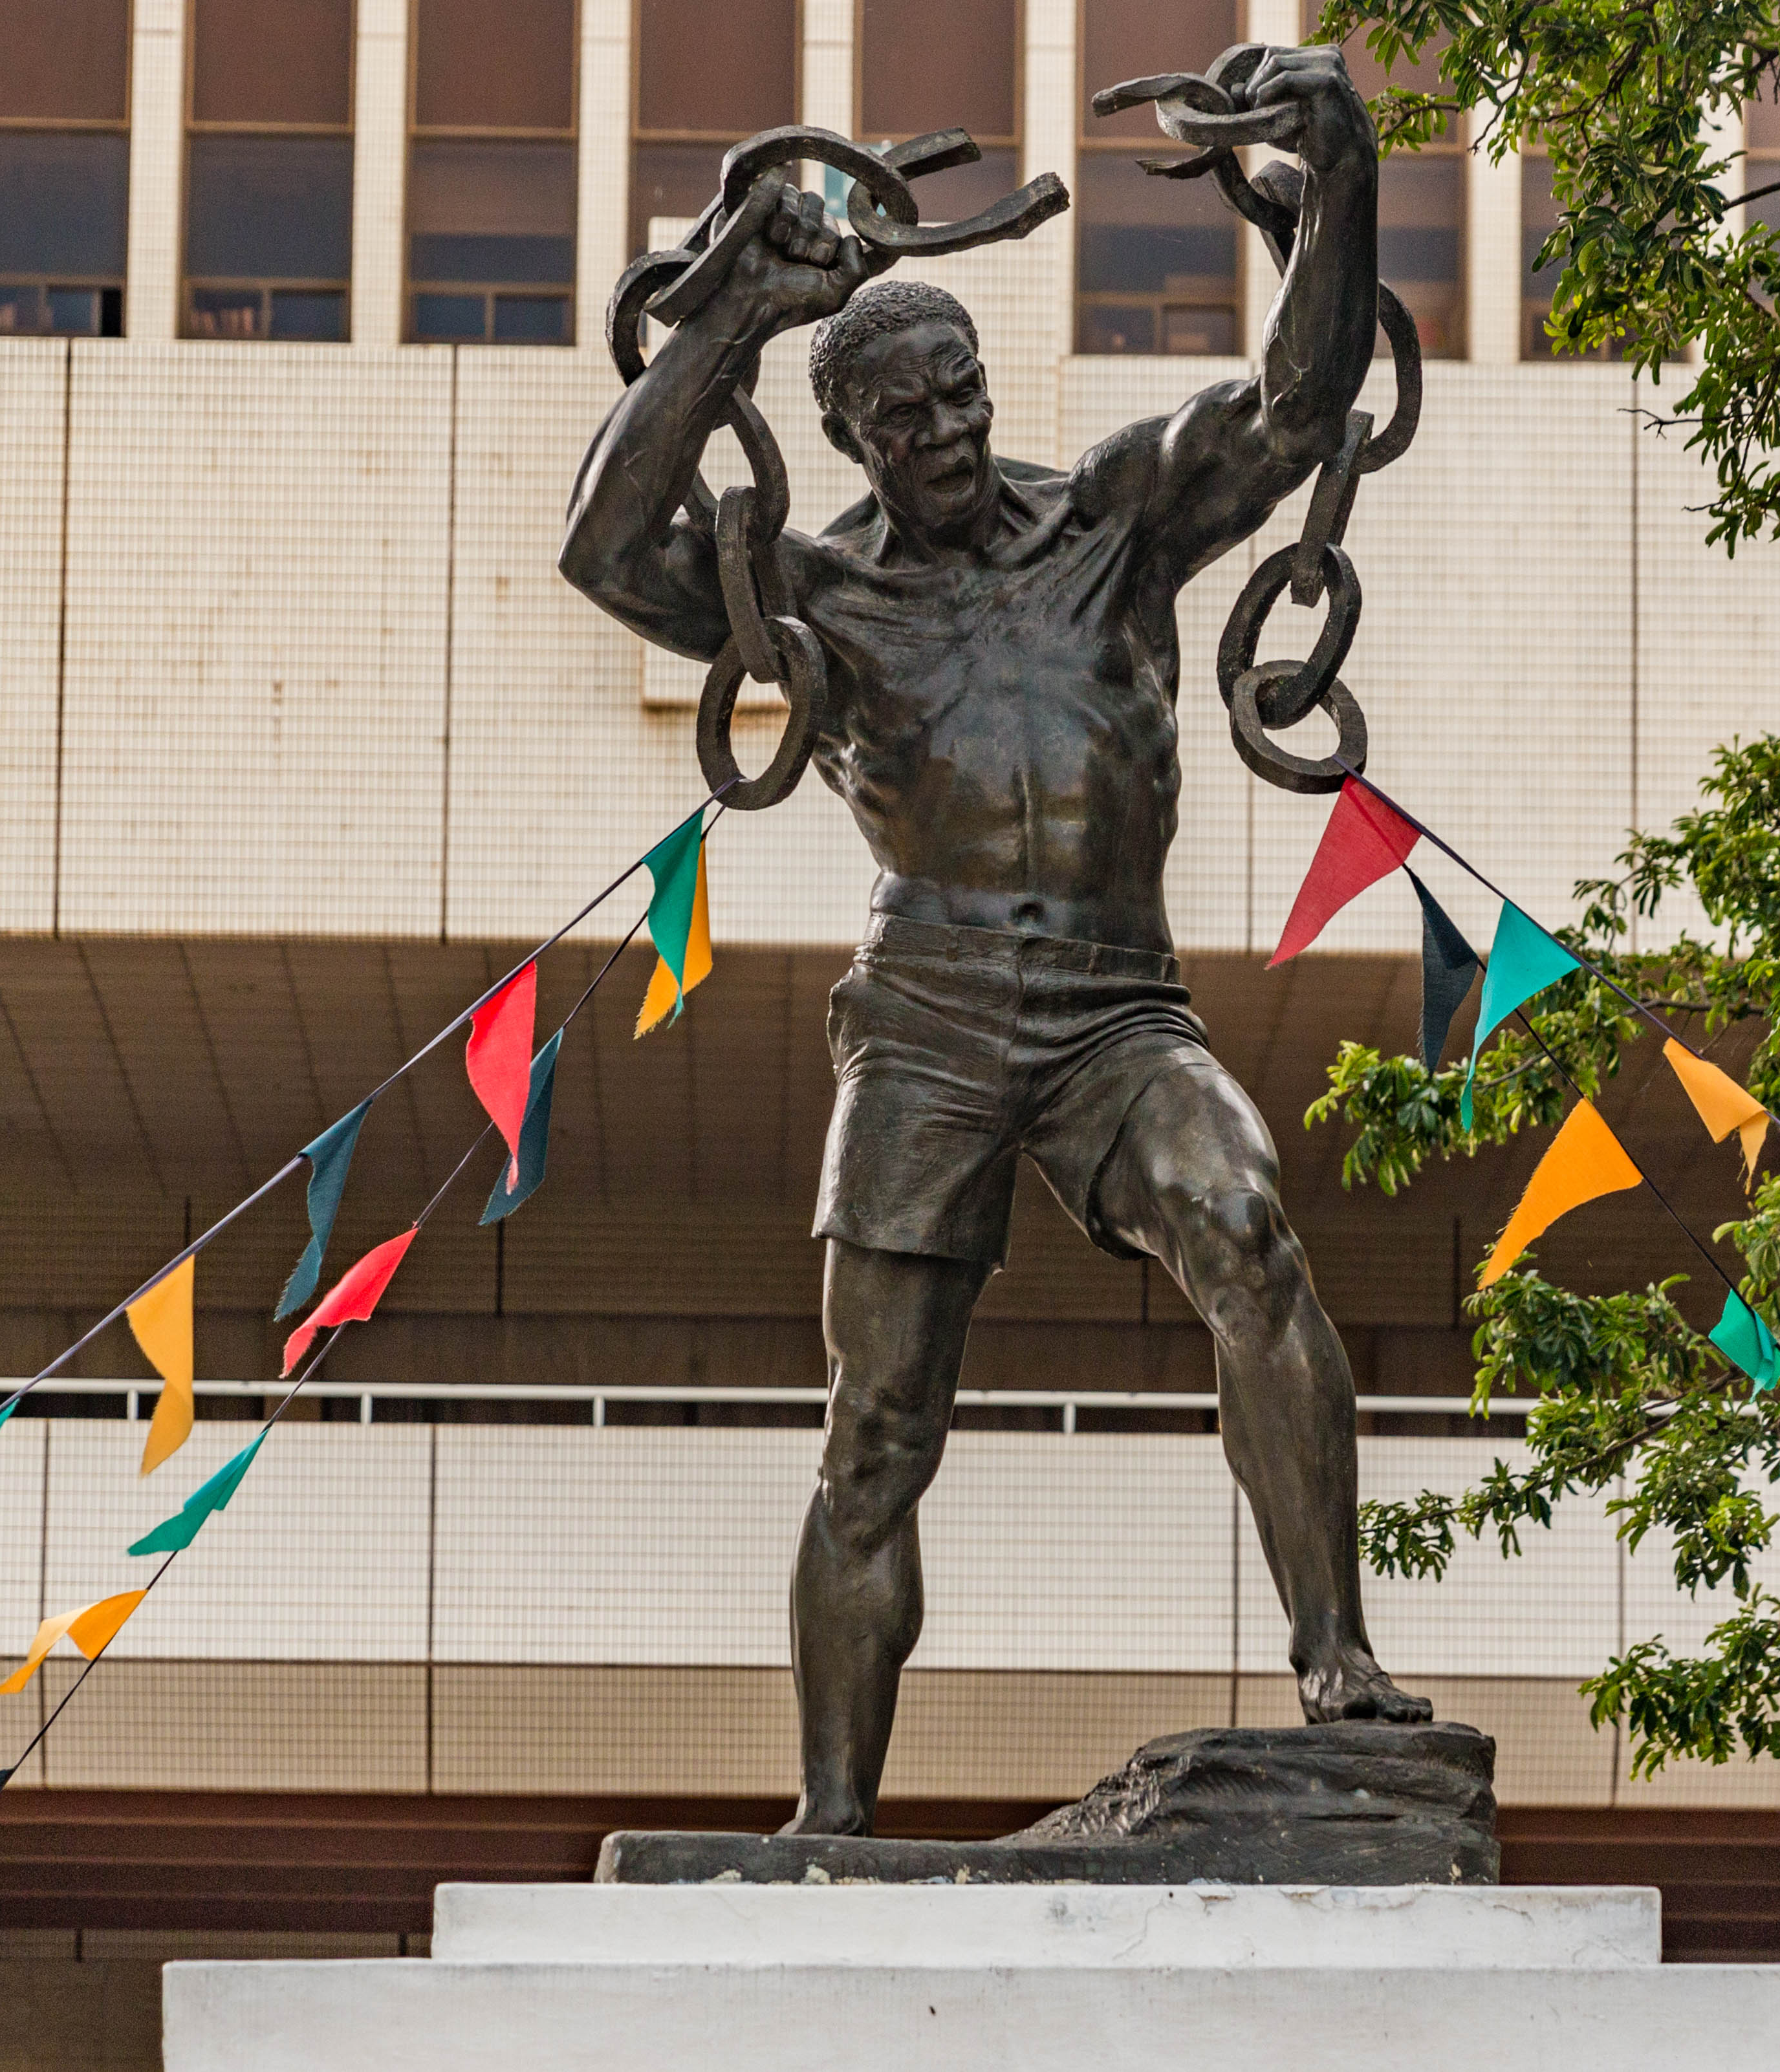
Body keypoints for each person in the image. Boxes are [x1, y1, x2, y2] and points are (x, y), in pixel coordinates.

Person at [561, 43, 1427, 1838]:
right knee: (876, 1431)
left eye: (958, 398)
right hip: (933, 1016)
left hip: (1118, 1010)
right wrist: (726, 319)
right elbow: (602, 546)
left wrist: (1338, 177)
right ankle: (829, 1818)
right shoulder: (823, 592)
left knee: (1249, 1225)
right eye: (905, 420)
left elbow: (1290, 407)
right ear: (853, 440)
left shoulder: (1110, 522)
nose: (945, 435)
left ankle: (1338, 1655)